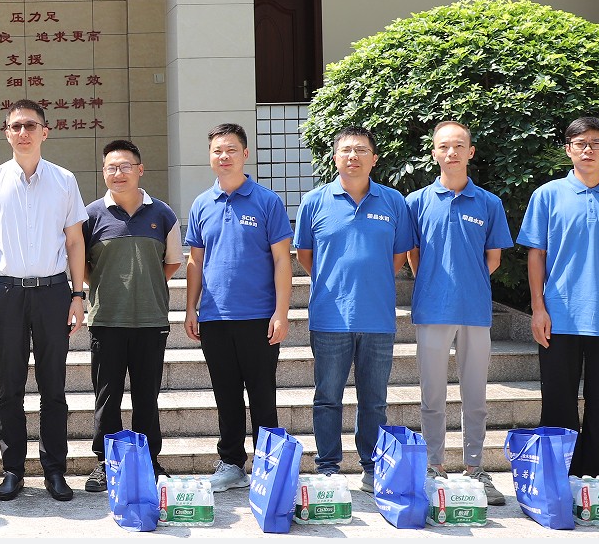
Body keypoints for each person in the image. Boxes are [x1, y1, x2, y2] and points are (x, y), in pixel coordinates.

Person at [519, 116, 599, 477]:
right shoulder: (547, 195)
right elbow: (536, 255)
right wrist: (537, 309)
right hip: (559, 318)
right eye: (579, 143)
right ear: (568, 150)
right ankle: (557, 482)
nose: (587, 150)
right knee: (557, 405)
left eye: (596, 143)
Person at [0, 99, 88, 502]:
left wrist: (77, 294)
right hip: (6, 293)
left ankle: (55, 470)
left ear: (45, 132)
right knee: (10, 387)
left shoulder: (64, 180)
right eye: (16, 126)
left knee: (53, 386)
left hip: (54, 292)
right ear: (6, 133)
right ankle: (13, 470)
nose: (23, 133)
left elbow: (75, 241)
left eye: (30, 126)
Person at [294, 126, 416, 491]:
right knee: (327, 397)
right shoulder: (314, 201)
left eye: (361, 150)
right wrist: (336, 281)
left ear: (374, 159)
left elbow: (399, 256)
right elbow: (305, 255)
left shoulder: (393, 201)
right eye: (346, 150)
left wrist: (369, 280)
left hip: (377, 317)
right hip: (329, 316)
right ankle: (327, 467)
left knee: (374, 401)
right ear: (334, 158)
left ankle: (371, 466)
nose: (353, 156)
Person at [405, 122, 513, 504]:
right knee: (432, 394)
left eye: (458, 146)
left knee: (475, 394)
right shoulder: (416, 202)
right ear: (434, 152)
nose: (451, 152)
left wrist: (467, 283)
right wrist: (435, 284)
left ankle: (475, 467)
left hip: (475, 309)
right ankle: (433, 466)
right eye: (444, 146)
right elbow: (413, 255)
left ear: (470, 151)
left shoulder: (489, 203)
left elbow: (493, 258)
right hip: (432, 309)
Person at [182, 123, 293, 493]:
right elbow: (195, 261)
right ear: (210, 157)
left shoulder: (267, 201)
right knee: (225, 394)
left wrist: (281, 311)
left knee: (262, 395)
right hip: (215, 317)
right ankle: (231, 463)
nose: (224, 156)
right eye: (217, 150)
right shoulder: (202, 204)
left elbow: (282, 260)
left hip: (259, 316)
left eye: (231, 149)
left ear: (245, 154)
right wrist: (190, 308)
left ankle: (268, 465)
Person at [81, 139, 182, 493]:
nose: (118, 173)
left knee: (146, 396)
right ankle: (105, 462)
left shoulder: (163, 214)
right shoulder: (91, 215)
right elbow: (81, 265)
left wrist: (144, 284)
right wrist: (105, 285)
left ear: (140, 170)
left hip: (151, 320)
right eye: (111, 167)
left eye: (125, 166)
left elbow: (171, 263)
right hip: (106, 320)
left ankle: (148, 460)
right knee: (106, 397)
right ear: (103, 172)